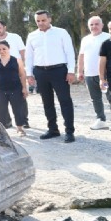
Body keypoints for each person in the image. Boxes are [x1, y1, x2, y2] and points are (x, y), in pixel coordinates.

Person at [25, 10, 76, 143]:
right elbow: (29, 56)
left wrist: (71, 71)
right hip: (40, 72)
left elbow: (70, 52)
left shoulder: (61, 32)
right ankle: (53, 129)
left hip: (59, 71)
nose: (40, 23)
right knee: (47, 102)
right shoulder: (32, 35)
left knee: (65, 101)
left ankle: (69, 131)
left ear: (49, 19)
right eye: (38, 21)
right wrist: (29, 74)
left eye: (43, 20)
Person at [0, 20, 30, 129]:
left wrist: (24, 68)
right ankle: (7, 122)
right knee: (2, 103)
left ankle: (23, 121)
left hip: (14, 68)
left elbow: (23, 53)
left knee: (20, 100)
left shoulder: (15, 37)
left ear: (4, 27)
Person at [77, 16, 111, 130]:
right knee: (95, 98)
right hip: (90, 75)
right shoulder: (85, 39)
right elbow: (81, 56)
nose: (94, 26)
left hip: (105, 76)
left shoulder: (108, 37)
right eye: (91, 24)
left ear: (102, 25)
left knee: (110, 96)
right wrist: (80, 71)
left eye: (97, 24)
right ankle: (101, 119)